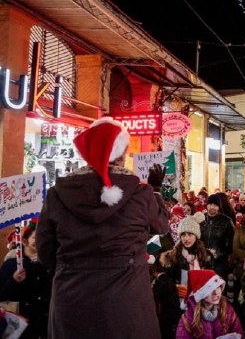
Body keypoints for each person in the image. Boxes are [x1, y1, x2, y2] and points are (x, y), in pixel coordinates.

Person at [36, 117, 168, 339]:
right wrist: (155, 189)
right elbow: (161, 225)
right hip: (128, 305)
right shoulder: (139, 194)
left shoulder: (57, 195)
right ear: (122, 155)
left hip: (72, 302)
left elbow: (45, 251)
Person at [0, 220, 51, 339]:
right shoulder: (11, 264)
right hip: (21, 326)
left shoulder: (49, 263)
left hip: (46, 324)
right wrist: (13, 281)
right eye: (35, 237)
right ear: (24, 241)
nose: (40, 240)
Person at [176, 269, 244, 338]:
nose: (216, 293)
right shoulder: (189, 317)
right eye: (210, 289)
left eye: (218, 287)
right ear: (201, 293)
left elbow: (240, 334)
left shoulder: (228, 311)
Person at [199, 194, 234, 279]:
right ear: (207, 205)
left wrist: (219, 253)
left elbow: (232, 241)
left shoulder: (226, 221)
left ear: (219, 207)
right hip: (202, 259)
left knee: (218, 287)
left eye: (215, 205)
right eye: (210, 204)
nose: (212, 207)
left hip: (219, 262)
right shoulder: (201, 219)